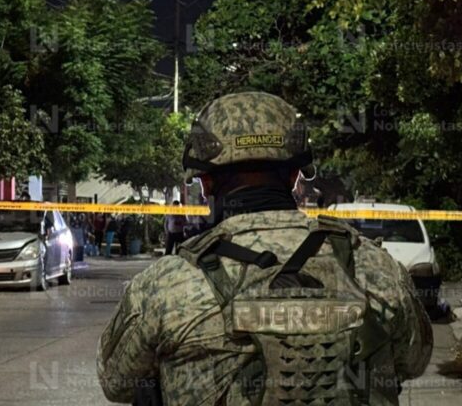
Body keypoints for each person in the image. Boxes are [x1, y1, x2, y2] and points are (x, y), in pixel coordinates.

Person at [97, 92, 433, 405]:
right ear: (294, 176)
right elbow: (414, 361)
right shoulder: (376, 268)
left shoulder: (165, 286)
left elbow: (117, 382)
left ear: (206, 180)